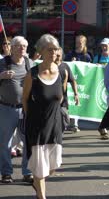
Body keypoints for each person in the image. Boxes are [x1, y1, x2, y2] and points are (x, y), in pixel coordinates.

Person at [22, 34, 67, 198]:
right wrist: (31, 118)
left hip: (55, 126)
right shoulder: (32, 74)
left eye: (56, 49)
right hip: (37, 126)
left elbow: (60, 98)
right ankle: (41, 195)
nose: (54, 52)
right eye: (50, 49)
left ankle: (37, 182)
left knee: (53, 166)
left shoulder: (61, 72)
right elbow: (25, 99)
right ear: (41, 51)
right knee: (39, 166)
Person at [0, 36, 33, 184]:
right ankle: (6, 173)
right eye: (19, 46)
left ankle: (27, 172)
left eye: (24, 46)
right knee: (5, 142)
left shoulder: (29, 63)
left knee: (27, 141)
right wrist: (1, 75)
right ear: (12, 48)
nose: (22, 49)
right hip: (6, 107)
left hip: (25, 108)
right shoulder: (4, 63)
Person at [65, 35, 92, 132]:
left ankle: (75, 123)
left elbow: (90, 69)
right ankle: (72, 123)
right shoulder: (70, 54)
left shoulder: (87, 56)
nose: (78, 44)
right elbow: (65, 64)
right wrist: (71, 62)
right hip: (72, 81)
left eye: (80, 42)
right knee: (70, 100)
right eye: (77, 42)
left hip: (82, 83)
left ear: (84, 43)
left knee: (80, 101)